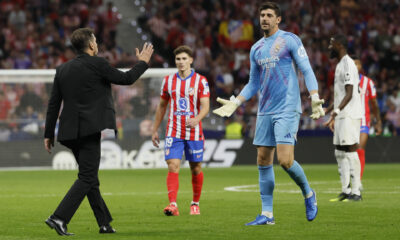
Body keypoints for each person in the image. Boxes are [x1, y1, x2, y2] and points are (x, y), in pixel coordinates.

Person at [213, 2, 323, 225]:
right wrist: (236, 102)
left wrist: (314, 96)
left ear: (278, 19)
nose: (264, 18)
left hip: (287, 107)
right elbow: (253, 82)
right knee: (263, 160)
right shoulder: (256, 48)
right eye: (262, 15)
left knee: (284, 160)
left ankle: (309, 194)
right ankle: (267, 214)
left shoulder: (289, 40)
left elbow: (306, 68)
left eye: (269, 15)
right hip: (265, 110)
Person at [44, 28, 153, 235]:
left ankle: (104, 223)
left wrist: (48, 134)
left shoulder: (62, 69)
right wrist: (143, 63)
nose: (97, 43)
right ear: (92, 45)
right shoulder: (98, 64)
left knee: (90, 177)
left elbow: (53, 104)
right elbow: (127, 79)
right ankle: (58, 217)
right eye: (95, 40)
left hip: (69, 133)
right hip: (88, 130)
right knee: (87, 177)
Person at [151, 45, 210, 216]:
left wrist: (197, 119)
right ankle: (173, 205)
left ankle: (195, 203)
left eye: (184, 58)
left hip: (194, 132)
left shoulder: (201, 81)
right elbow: (162, 105)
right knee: (173, 165)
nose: (181, 62)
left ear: (191, 60)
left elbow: (206, 106)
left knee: (196, 168)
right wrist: (155, 129)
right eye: (178, 59)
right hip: (173, 131)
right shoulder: (168, 81)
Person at [324, 35, 363, 202]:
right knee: (339, 151)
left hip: (349, 114)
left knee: (350, 149)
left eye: (331, 44)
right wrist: (329, 109)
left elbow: (349, 93)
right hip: (341, 113)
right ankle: (345, 190)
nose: (329, 48)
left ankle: (356, 192)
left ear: (339, 45)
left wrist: (336, 111)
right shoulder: (340, 64)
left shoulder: (347, 64)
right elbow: (340, 95)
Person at [354, 58, 382, 179]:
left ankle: (357, 184)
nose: (355, 65)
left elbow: (374, 103)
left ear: (361, 66)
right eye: (353, 63)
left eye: (357, 63)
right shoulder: (344, 82)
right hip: (349, 121)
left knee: (360, 149)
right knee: (350, 153)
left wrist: (378, 121)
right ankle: (349, 183)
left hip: (363, 121)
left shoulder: (367, 82)